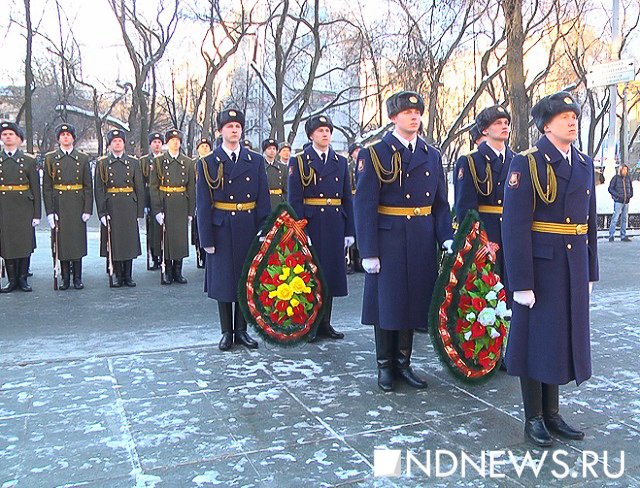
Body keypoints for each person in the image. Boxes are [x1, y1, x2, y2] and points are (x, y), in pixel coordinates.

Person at [502, 91, 599, 447]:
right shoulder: (526, 163)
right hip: (540, 267)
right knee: (534, 341)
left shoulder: (584, 163)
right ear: (546, 125)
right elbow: (513, 227)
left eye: (574, 116)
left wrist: (590, 270)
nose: (572, 121)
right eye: (563, 117)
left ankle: (553, 413)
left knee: (558, 341)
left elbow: (587, 224)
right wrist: (521, 282)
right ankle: (534, 418)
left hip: (571, 266)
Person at [354, 91, 454, 392]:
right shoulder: (375, 153)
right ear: (393, 117)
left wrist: (446, 238)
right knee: (388, 303)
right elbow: (365, 204)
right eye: (407, 111)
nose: (414, 116)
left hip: (421, 237)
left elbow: (440, 204)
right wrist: (368, 251)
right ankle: (384, 364)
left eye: (417, 111)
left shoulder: (431, 155)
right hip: (389, 238)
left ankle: (404, 362)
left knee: (412, 302)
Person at [196, 109, 270, 351]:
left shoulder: (255, 161)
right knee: (223, 281)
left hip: (247, 225)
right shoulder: (208, 163)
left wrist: (264, 232)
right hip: (222, 226)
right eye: (229, 126)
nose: (234, 130)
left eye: (238, 126)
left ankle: (242, 330)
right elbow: (203, 204)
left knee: (245, 280)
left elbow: (263, 200)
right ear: (220, 131)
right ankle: (227, 331)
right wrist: (205, 238)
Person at [288, 114, 355, 341]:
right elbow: (295, 199)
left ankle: (326, 322)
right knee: (311, 274)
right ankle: (311, 324)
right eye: (320, 131)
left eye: (327, 131)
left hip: (335, 222)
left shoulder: (340, 161)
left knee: (331, 275)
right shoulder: (299, 161)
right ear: (311, 135)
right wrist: (300, 229)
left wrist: (349, 230)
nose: (325, 134)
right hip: (312, 221)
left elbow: (347, 197)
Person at [454, 106, 514, 304]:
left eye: (506, 122)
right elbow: (466, 209)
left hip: (512, 230)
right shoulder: (471, 161)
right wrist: (479, 240)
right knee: (487, 290)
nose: (504, 126)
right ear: (485, 130)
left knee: (512, 290)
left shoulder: (517, 160)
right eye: (498, 123)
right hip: (487, 234)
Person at [43, 123, 93, 290]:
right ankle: (65, 278)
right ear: (58, 139)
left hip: (77, 203)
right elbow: (47, 187)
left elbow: (88, 186)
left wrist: (87, 209)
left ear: (73, 138)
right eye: (62, 135)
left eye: (68, 135)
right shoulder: (50, 159)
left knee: (77, 241)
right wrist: (50, 212)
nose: (66, 137)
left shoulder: (83, 158)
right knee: (62, 242)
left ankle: (77, 277)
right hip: (60, 204)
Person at [94, 129, 145, 287]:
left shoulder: (133, 162)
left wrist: (139, 211)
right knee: (114, 241)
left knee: (128, 241)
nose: (117, 143)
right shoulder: (102, 163)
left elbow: (139, 187)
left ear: (124, 144)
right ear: (109, 145)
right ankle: (117, 274)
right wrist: (102, 212)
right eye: (114, 141)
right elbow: (99, 188)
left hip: (129, 204)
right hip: (112, 205)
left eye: (120, 141)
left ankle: (128, 275)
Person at [150, 129, 196, 285]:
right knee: (166, 238)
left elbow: (191, 188)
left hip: (181, 203)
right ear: (167, 143)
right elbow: (154, 188)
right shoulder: (158, 161)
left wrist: (191, 211)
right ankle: (167, 270)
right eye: (172, 140)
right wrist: (156, 210)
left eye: (177, 140)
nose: (175, 142)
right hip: (165, 202)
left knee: (180, 239)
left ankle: (178, 271)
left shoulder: (188, 162)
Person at [0, 121, 41, 292]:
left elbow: (35, 188)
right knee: (6, 243)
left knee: (24, 243)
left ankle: (23, 279)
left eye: (11, 134)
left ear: (18, 139)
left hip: (24, 206)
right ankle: (12, 280)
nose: (8, 137)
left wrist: (37, 214)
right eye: (4, 134)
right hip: (4, 206)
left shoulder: (28, 160)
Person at [140, 132, 165, 270]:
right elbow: (141, 184)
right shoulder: (144, 161)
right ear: (150, 145)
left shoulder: (164, 159)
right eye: (154, 142)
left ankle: (163, 256)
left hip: (163, 197)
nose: (157, 145)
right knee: (153, 232)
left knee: (163, 230)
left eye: (159, 142)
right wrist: (144, 204)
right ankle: (155, 257)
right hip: (150, 199)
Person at [193, 137, 212, 268]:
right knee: (198, 231)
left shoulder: (214, 162)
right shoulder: (193, 163)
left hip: (210, 201)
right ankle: (200, 255)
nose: (204, 148)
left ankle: (207, 257)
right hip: (196, 200)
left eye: (207, 146)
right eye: (202, 146)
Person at [608, 164, 633, 242]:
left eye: (626, 170)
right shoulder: (615, 178)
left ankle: (623, 235)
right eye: (624, 169)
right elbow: (610, 188)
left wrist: (630, 195)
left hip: (626, 201)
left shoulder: (628, 178)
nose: (625, 171)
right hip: (618, 201)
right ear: (620, 170)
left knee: (624, 219)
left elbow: (631, 188)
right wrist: (617, 196)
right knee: (615, 218)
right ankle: (611, 235)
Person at [262, 138, 287, 209]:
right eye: (269, 148)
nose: (272, 151)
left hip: (279, 203)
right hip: (264, 201)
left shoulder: (283, 167)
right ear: (264, 151)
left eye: (274, 149)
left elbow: (286, 188)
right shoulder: (259, 166)